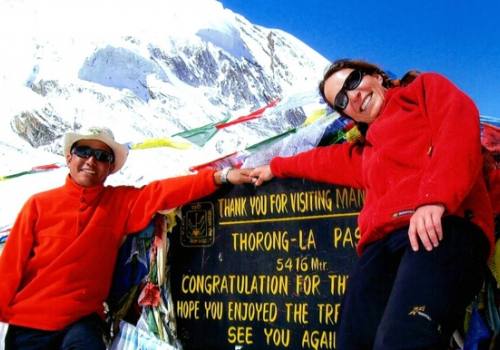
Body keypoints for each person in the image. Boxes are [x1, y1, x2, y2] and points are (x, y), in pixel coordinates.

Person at [250, 59, 494, 349]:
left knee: (404, 338)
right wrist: (274, 168)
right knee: (353, 342)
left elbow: (458, 121)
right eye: (341, 99)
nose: (352, 96)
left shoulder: (423, 91)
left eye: (353, 81)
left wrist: (435, 198)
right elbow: (319, 162)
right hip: (381, 248)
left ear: (376, 75)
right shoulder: (366, 154)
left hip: (443, 225)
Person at [0, 126, 253, 349]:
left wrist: (218, 176)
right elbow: (9, 267)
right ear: (69, 157)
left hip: (82, 322)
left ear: (109, 168)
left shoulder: (119, 203)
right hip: (29, 322)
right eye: (84, 151)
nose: (91, 160)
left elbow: (161, 192)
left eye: (102, 157)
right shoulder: (38, 205)